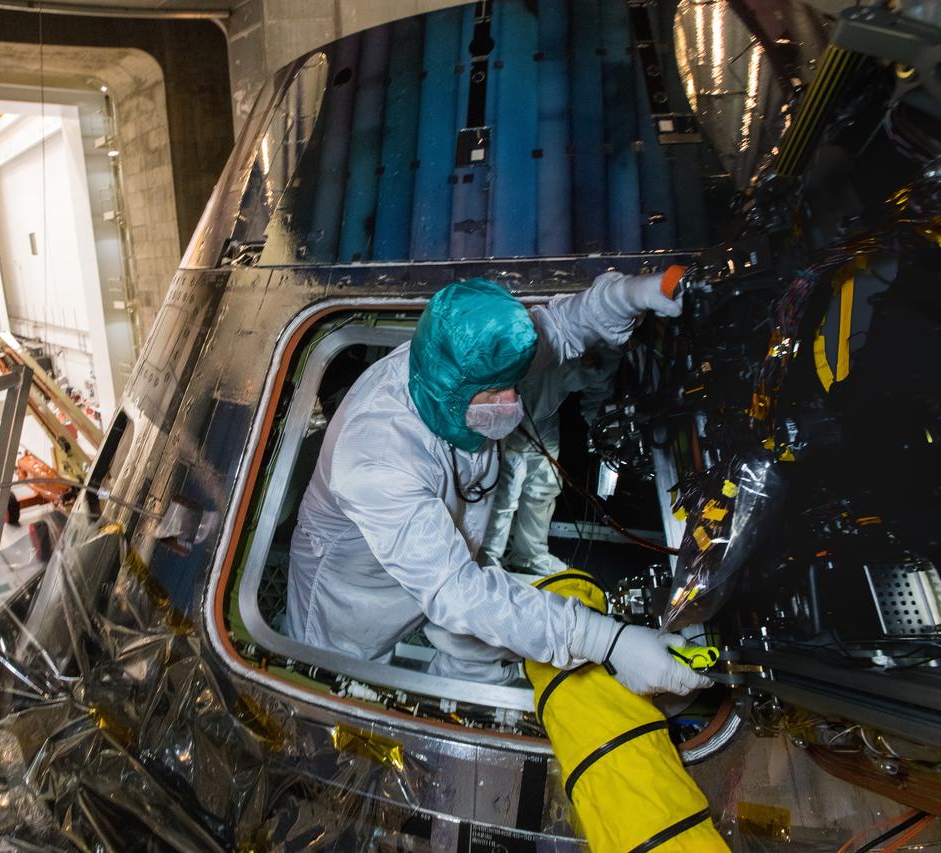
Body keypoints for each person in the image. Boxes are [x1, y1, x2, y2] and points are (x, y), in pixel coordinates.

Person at [285, 270, 710, 696]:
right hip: (353, 591)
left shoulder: (466, 366)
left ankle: (462, 705)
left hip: (446, 565)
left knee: (473, 627)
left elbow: (559, 328)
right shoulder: (377, 454)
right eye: (494, 392)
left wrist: (627, 295)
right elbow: (455, 590)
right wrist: (608, 642)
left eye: (511, 386)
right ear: (447, 390)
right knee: (337, 683)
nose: (512, 403)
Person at [480, 347, 620, 574]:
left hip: (544, 421)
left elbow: (597, 394)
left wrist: (603, 430)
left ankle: (529, 555)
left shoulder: (611, 350)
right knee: (503, 493)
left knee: (544, 487)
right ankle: (486, 557)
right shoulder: (556, 338)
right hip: (504, 417)